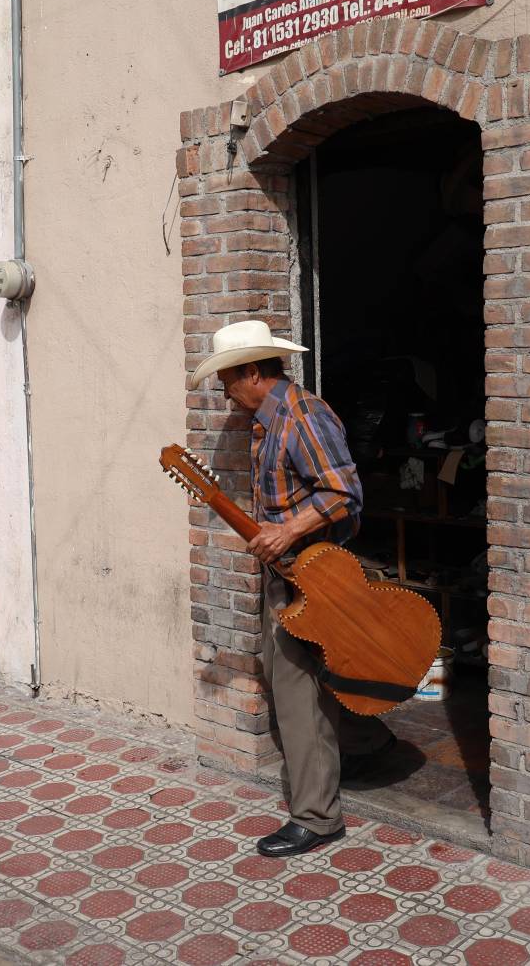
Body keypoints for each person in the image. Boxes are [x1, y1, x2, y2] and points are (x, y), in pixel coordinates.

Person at [189, 320, 396, 857]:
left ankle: (317, 818)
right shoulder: (266, 419)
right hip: (289, 572)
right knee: (317, 673)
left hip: (316, 570)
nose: (224, 392)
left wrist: (287, 530)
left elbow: (345, 492)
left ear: (253, 372)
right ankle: (371, 742)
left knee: (295, 689)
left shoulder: (302, 415)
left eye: (227, 381)